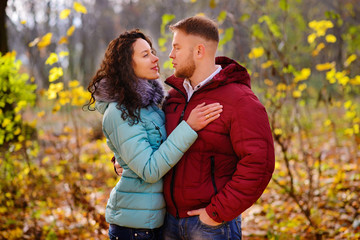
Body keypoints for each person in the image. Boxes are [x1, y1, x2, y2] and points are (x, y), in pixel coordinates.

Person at [86, 29, 223, 240]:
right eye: (145, 55)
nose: (156, 58)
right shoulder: (119, 111)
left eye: (152, 52)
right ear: (126, 65)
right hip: (134, 228)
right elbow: (149, 170)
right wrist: (189, 127)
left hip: (155, 221)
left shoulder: (149, 104)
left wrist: (120, 160)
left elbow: (150, 146)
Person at [160, 16, 275, 239]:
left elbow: (259, 163)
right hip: (167, 223)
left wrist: (216, 213)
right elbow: (150, 138)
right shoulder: (173, 98)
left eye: (177, 48)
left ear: (199, 51)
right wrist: (122, 161)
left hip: (210, 227)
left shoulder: (240, 100)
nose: (170, 55)